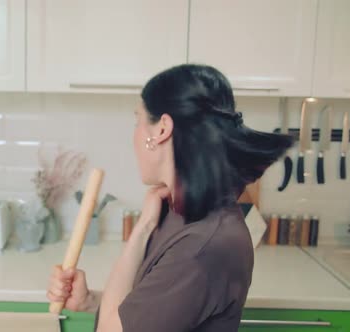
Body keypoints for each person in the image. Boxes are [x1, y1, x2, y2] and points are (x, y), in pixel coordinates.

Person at [46, 64, 294, 332]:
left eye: (137, 121)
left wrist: (141, 230)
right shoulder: (177, 210)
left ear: (162, 129)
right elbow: (148, 311)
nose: (135, 135)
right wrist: (90, 300)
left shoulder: (203, 246)